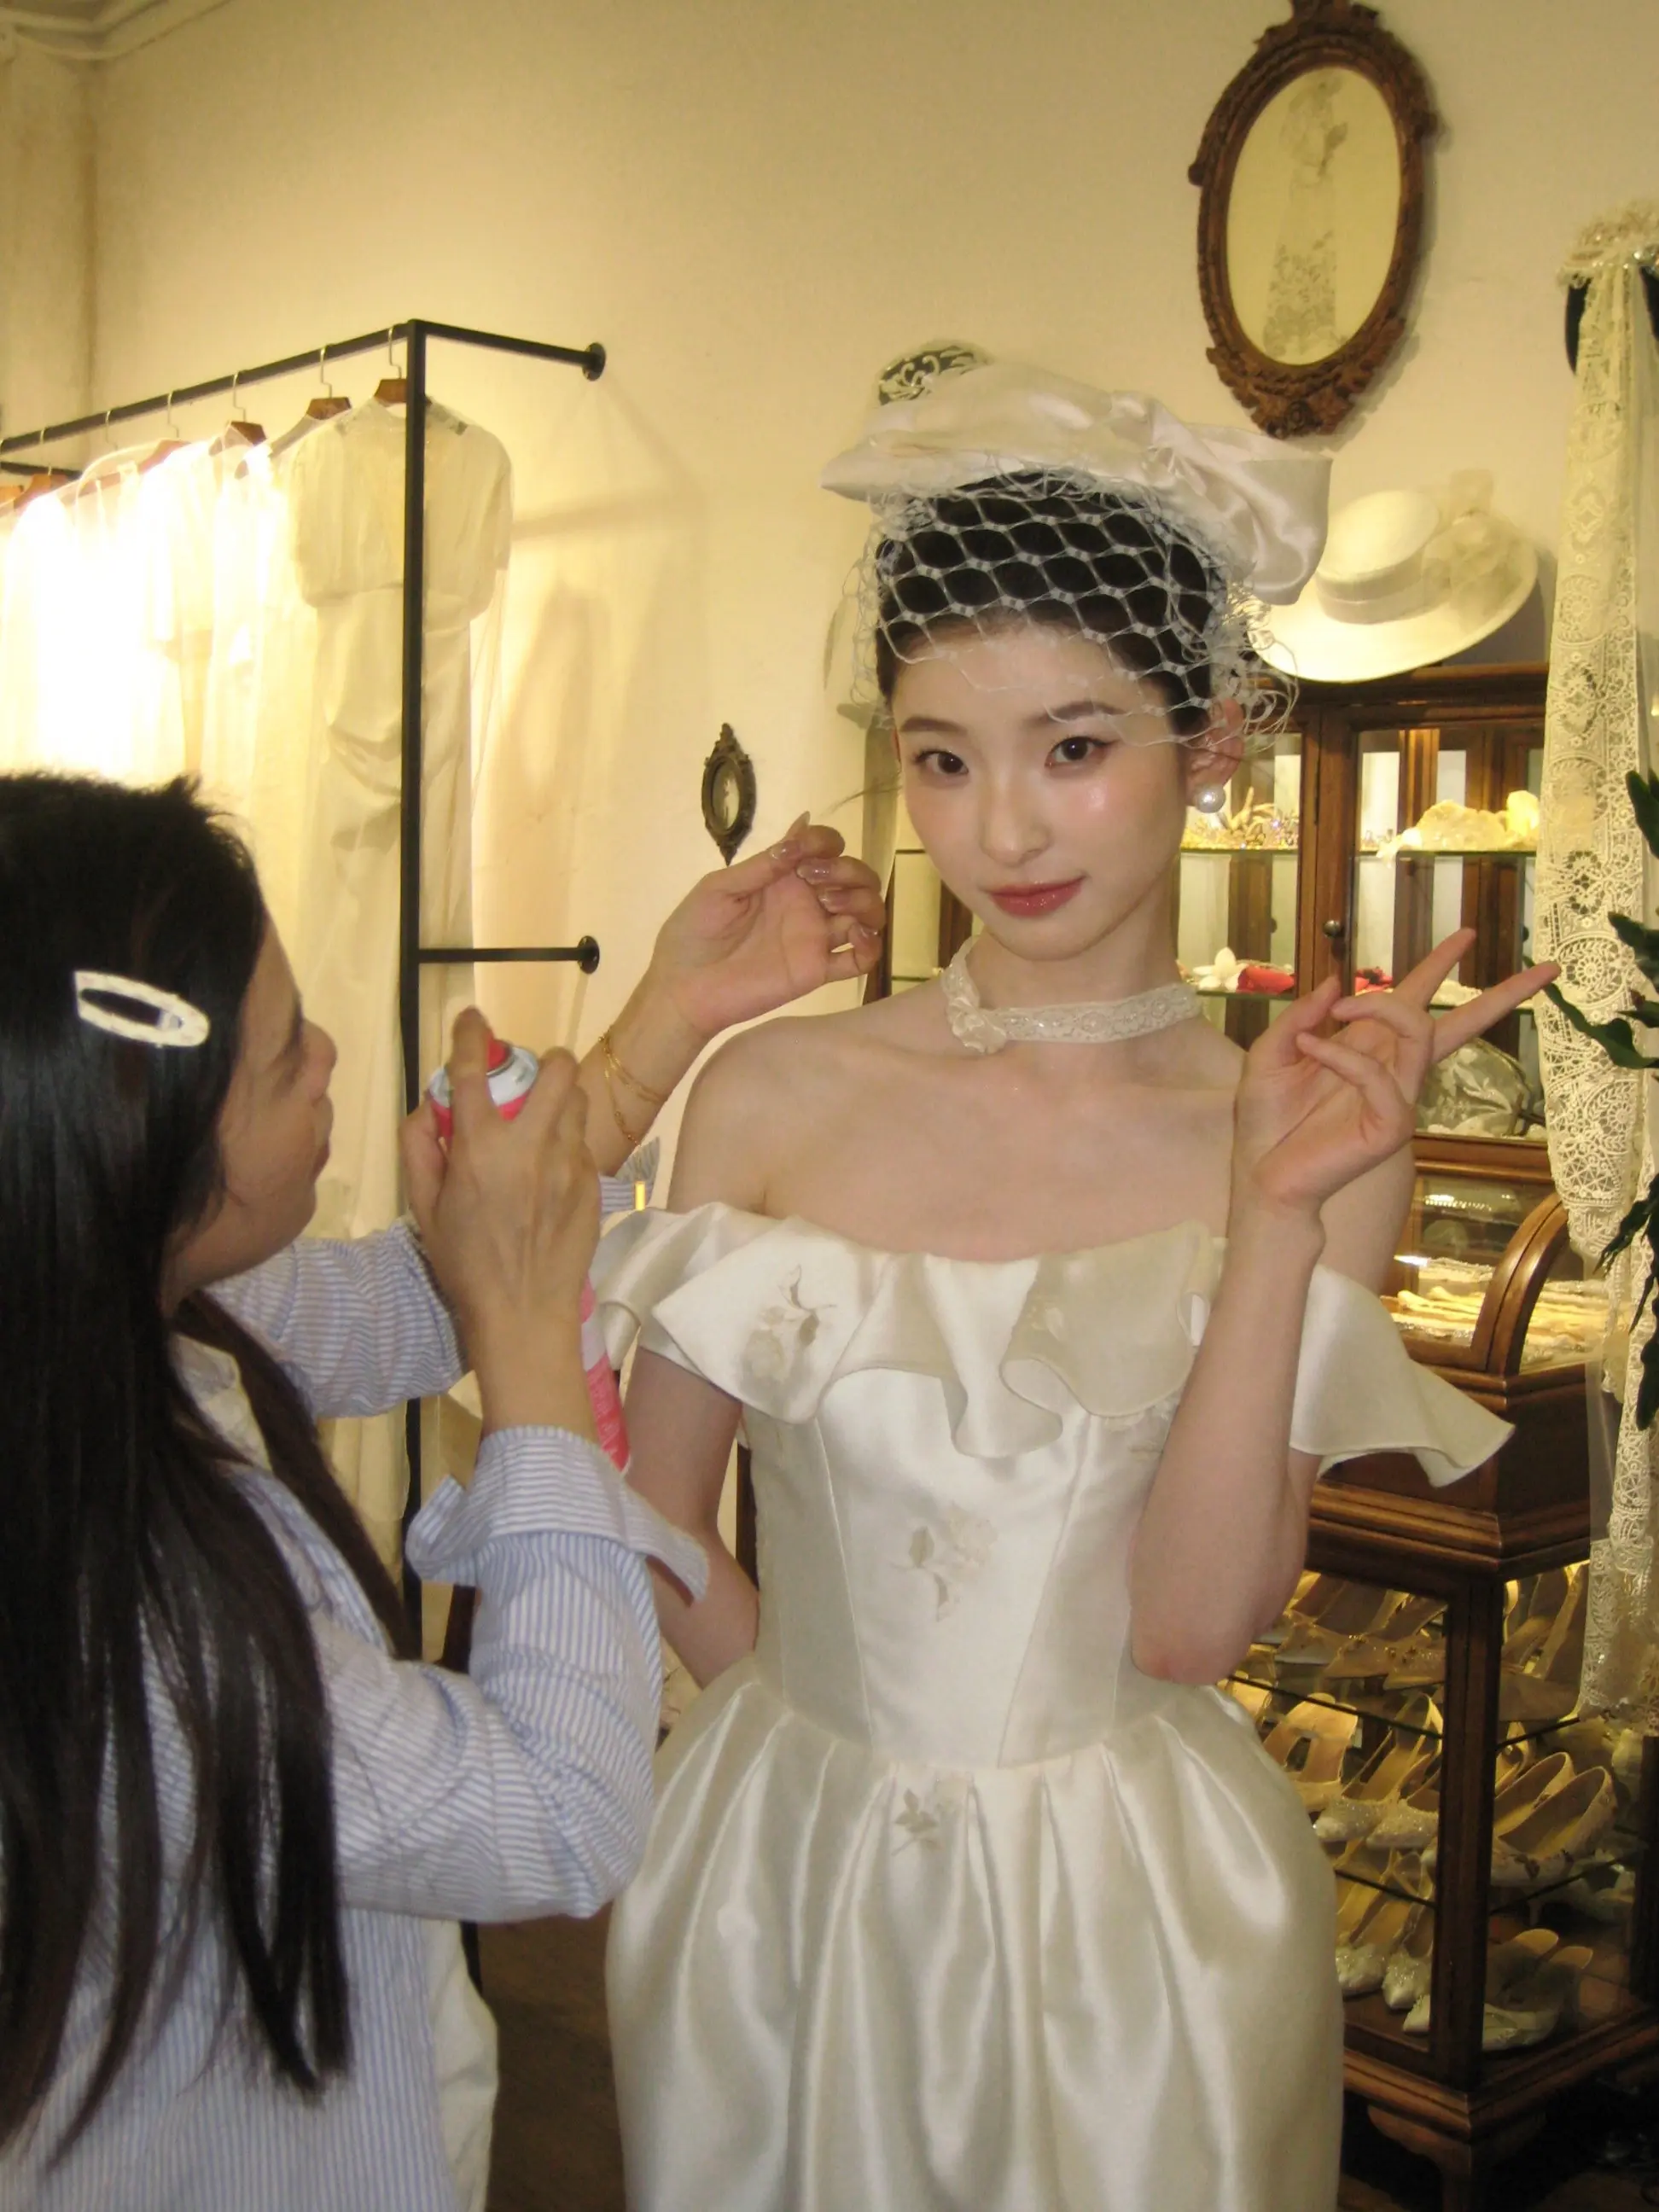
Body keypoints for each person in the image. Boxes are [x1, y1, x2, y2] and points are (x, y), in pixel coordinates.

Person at [592, 361, 1551, 2211]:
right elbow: (657, 1519)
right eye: (943, 759)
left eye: (1075, 748)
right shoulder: (774, 1092)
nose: (1004, 834)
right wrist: (824, 1747)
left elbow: (1190, 1629)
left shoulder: (1303, 1135)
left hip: (1137, 1923)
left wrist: (1274, 1215)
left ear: (1215, 743)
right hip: (783, 1870)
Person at [0, 769, 883, 2212]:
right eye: (285, 1056)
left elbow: (398, 1304)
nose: (331, 1054)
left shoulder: (94, 1319)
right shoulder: (118, 1608)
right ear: (134, 1138)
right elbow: (559, 1814)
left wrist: (667, 1019)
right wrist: (536, 1352)